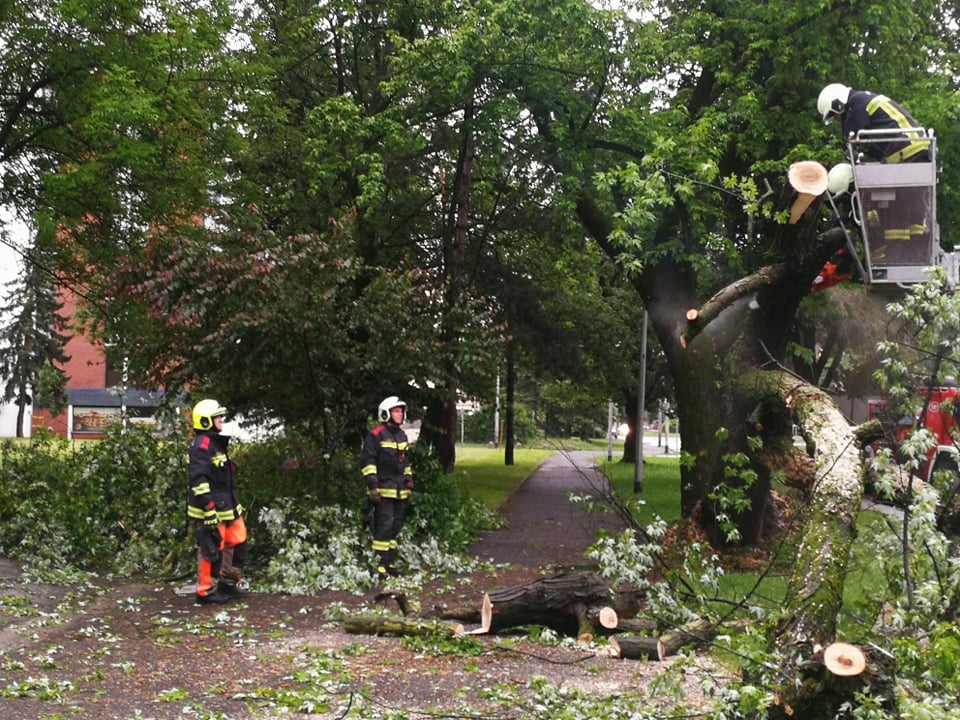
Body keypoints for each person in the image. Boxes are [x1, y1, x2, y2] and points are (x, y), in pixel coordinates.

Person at [187, 398, 249, 604]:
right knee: (211, 549)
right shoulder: (202, 445)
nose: (221, 419)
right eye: (217, 417)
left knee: (237, 540)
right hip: (211, 509)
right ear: (206, 421)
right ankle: (206, 592)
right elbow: (199, 479)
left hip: (227, 506)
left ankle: (227, 582)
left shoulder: (216, 443)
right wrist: (209, 508)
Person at [360, 396, 414, 580]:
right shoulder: (376, 435)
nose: (400, 414)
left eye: (401, 411)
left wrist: (409, 485)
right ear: (386, 413)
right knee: (384, 527)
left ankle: (388, 562)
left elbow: (406, 464)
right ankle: (379, 565)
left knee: (395, 527)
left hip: (400, 491)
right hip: (382, 491)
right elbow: (368, 462)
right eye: (396, 411)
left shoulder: (402, 436)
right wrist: (373, 486)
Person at [817, 83, 930, 163]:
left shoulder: (855, 107)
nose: (836, 118)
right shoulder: (863, 99)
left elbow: (852, 145)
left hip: (906, 149)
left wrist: (851, 153)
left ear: (838, 104)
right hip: (917, 145)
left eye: (833, 114)